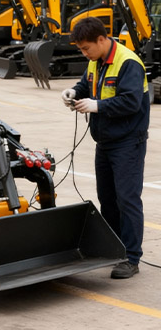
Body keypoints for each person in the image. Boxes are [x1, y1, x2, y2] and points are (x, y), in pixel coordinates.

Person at [61, 16, 150, 279]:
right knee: (107, 198)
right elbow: (86, 84)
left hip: (127, 142)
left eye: (86, 48)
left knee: (127, 199)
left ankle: (131, 258)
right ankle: (114, 249)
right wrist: (73, 93)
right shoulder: (95, 60)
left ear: (102, 39)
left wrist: (97, 106)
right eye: (81, 49)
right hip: (105, 141)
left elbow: (131, 102)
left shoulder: (128, 63)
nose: (84, 53)